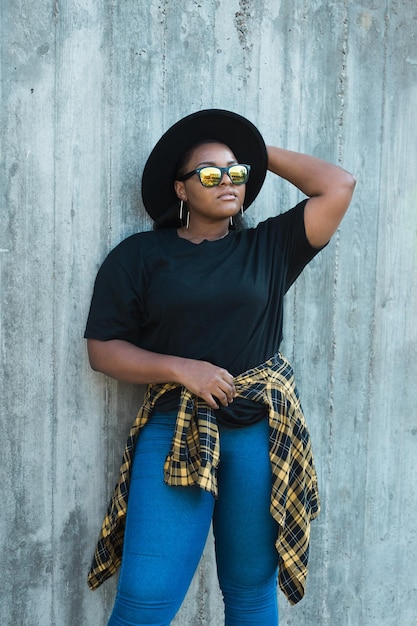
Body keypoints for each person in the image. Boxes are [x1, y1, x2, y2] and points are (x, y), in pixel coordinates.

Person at [84, 109, 355, 626]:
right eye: (209, 173)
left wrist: (251, 148)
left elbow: (338, 185)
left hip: (258, 431)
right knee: (146, 593)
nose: (227, 181)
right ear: (181, 190)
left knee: (250, 589)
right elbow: (103, 349)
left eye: (236, 171)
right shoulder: (140, 256)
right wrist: (184, 369)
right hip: (177, 427)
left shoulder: (271, 247)